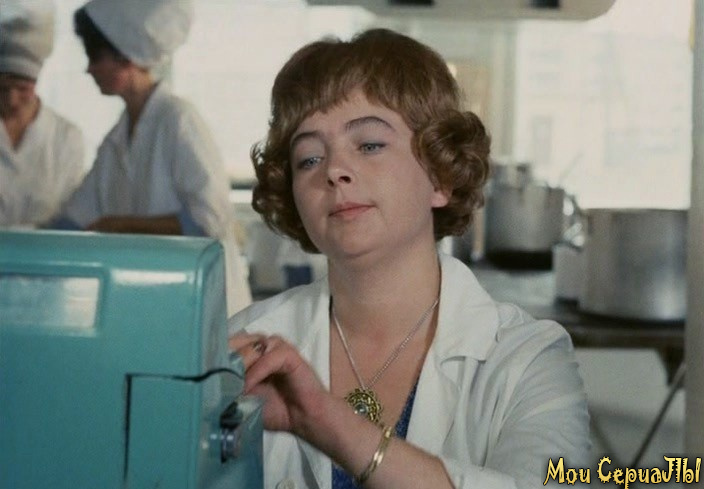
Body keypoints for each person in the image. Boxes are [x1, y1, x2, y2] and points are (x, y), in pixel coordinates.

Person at [229, 28, 590, 489]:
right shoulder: (240, 346)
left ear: (441, 177)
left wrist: (326, 422)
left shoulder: (527, 360)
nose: (335, 170)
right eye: (309, 159)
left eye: (369, 145)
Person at [53, 0, 251, 314]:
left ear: (125, 56)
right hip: (159, 303)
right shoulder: (116, 139)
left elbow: (208, 220)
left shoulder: (178, 120)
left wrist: (120, 225)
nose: (89, 69)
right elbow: (74, 220)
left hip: (206, 303)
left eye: (95, 56)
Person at [0, 2, 85, 228]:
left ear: (36, 84)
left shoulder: (65, 138)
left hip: (47, 249)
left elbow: (73, 214)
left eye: (22, 89)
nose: (11, 100)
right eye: (2, 89)